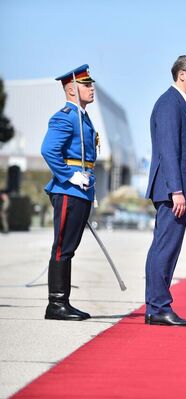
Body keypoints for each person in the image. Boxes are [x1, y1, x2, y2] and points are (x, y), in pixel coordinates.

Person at [144, 52, 186, 327]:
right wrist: (176, 190)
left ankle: (157, 306)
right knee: (164, 248)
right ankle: (158, 306)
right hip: (173, 191)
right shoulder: (171, 103)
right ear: (182, 74)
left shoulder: (183, 104)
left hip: (178, 189)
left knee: (168, 248)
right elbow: (169, 150)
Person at [40, 64, 98, 321]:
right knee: (62, 247)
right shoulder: (65, 116)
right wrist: (70, 175)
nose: (92, 88)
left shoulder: (83, 117)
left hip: (81, 190)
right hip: (68, 189)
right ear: (72, 89)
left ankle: (63, 301)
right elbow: (49, 150)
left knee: (69, 247)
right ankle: (56, 304)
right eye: (86, 84)